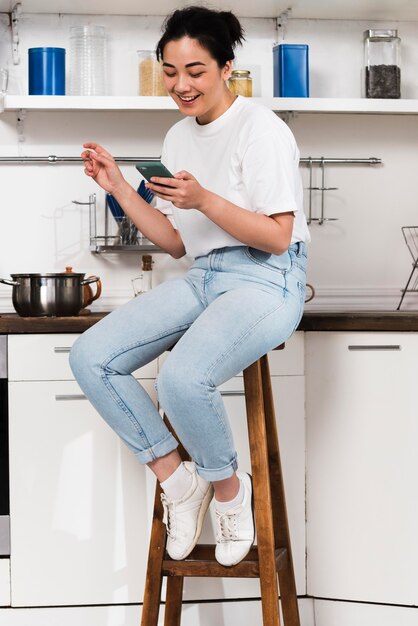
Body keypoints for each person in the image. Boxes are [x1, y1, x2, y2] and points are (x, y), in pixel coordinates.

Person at [69, 5, 310, 568]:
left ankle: (229, 491)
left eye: (195, 71)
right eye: (170, 72)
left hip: (267, 277)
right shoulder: (178, 136)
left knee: (183, 376)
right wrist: (122, 190)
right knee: (92, 356)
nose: (181, 85)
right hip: (204, 275)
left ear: (227, 67)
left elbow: (277, 237)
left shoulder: (263, 129)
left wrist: (205, 199)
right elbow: (176, 243)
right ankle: (179, 484)